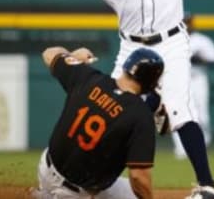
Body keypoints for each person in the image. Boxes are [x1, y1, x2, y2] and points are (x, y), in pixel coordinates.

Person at [71, 0, 214, 199]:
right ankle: (89, 180)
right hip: (132, 48)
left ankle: (207, 187)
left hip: (173, 41)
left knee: (181, 110)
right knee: (113, 113)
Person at [32, 45, 165, 199]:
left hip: (46, 168)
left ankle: (44, 194)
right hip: (76, 193)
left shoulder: (87, 77)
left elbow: (49, 53)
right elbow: (138, 176)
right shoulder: (140, 116)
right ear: (151, 83)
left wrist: (72, 56)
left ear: (125, 67)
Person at [172, 14, 214, 160]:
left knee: (202, 114)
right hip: (179, 80)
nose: (187, 25)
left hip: (197, 79)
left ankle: (203, 146)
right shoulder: (172, 40)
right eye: (184, 22)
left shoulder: (202, 40)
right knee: (178, 114)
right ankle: (181, 150)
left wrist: (199, 59)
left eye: (189, 22)